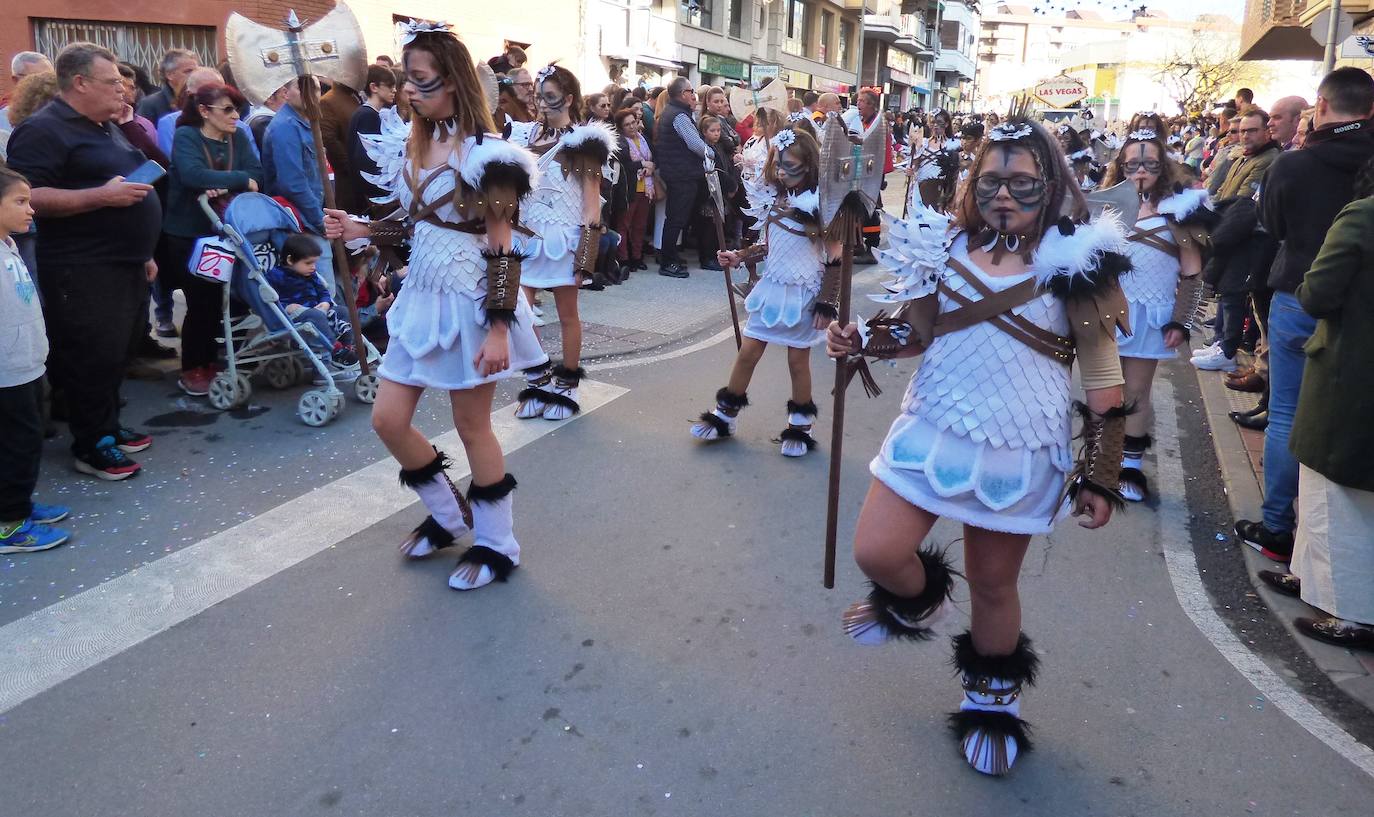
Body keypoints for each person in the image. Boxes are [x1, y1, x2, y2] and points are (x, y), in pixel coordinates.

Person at [826, 116, 1129, 776]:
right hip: (932, 426)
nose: (1004, 194)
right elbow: (915, 334)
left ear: (1051, 184)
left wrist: (1101, 473)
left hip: (1019, 446)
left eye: (1021, 182)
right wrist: (860, 340)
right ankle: (920, 601)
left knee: (994, 584)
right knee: (877, 551)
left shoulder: (1080, 262)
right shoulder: (942, 243)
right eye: (991, 180)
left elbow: (1104, 377)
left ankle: (992, 701)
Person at [334, 21, 546, 590]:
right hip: (421, 299)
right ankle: (451, 515)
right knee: (387, 419)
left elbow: (503, 248)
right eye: (405, 78)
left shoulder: (492, 157)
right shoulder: (415, 142)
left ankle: (497, 543)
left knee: (471, 425)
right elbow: (415, 225)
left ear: (451, 81)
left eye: (419, 79)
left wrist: (499, 330)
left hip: (471, 304)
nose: (408, 89)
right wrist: (362, 228)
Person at [1236, 67, 1374, 560]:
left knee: (1287, 413)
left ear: (1322, 105)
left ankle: (1278, 526)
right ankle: (1328, 547)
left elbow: (1271, 225)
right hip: (1362, 307)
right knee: (1349, 419)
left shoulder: (1294, 165)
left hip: (1300, 295)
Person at [6, 42, 158, 481]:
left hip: (125, 261)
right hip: (82, 266)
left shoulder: (104, 125)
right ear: (80, 83)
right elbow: (29, 195)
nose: (123, 90)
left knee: (117, 353)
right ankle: (92, 445)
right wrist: (101, 197)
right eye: (112, 82)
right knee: (91, 356)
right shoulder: (43, 129)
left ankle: (106, 425)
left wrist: (144, 251)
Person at [1259, 156, 1374, 651]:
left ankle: (1352, 612)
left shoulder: (1363, 215)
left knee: (1334, 489)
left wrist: (1307, 287)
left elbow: (1317, 293)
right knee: (1331, 485)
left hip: (1352, 368)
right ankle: (1310, 578)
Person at [689, 125, 837, 456]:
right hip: (772, 288)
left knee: (797, 360)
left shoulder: (821, 205)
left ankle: (800, 425)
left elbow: (836, 257)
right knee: (748, 351)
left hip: (803, 293)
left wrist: (827, 303)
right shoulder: (776, 198)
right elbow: (768, 246)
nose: (782, 172)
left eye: (791, 166)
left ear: (809, 165)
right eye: (779, 165)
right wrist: (739, 256)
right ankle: (725, 415)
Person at [1098, 129, 1211, 501]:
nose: (1141, 171)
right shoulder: (1105, 206)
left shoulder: (1179, 210)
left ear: (1163, 167)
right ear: (1121, 167)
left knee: (1136, 392)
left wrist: (1181, 320)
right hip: (1106, 315)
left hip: (1150, 315)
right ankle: (1102, 463)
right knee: (1104, 390)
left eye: (1149, 164)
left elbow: (1192, 271)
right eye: (1132, 165)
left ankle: (1130, 466)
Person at [507, 64, 614, 420]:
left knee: (568, 315)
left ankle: (567, 384)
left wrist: (586, 256)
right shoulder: (524, 136)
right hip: (526, 239)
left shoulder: (584, 143)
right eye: (538, 94)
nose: (541, 102)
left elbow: (591, 204)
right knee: (522, 316)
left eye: (549, 96)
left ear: (568, 99)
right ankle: (537, 381)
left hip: (563, 240)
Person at [161, 81, 264, 396]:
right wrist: (239, 180)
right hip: (189, 233)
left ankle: (213, 359)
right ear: (204, 111)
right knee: (200, 301)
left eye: (238, 110)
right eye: (228, 109)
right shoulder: (187, 136)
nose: (236, 116)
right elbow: (192, 175)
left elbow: (258, 174)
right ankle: (193, 366)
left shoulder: (239, 136)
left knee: (223, 300)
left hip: (226, 231)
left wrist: (227, 182)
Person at [0, 167, 71, 553]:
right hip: (6, 371)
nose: (31, 210)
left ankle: (18, 505)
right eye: (20, 202)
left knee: (25, 440)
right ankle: (9, 526)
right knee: (18, 444)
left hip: (25, 362)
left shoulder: (9, 244)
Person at [264, 233, 358, 366]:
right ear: (290, 260)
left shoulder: (311, 274)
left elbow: (323, 291)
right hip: (296, 316)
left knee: (343, 311)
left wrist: (325, 302)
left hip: (318, 311)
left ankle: (347, 347)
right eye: (308, 263)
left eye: (315, 262)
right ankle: (335, 348)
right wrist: (286, 307)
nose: (313, 267)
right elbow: (270, 299)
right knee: (316, 315)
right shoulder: (276, 275)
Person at [654, 77, 712, 278]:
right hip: (682, 174)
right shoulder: (679, 116)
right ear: (682, 94)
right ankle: (668, 262)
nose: (693, 94)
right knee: (676, 219)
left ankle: (671, 257)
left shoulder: (673, 111)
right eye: (690, 90)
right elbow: (696, 145)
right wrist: (711, 153)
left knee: (676, 218)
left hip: (678, 172)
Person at [692, 114, 738, 272]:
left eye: (718, 130)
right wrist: (729, 185)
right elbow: (714, 171)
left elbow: (725, 167)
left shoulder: (719, 147)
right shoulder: (706, 149)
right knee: (708, 227)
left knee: (716, 226)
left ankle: (714, 255)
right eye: (712, 131)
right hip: (709, 193)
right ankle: (706, 257)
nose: (716, 133)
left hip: (720, 191)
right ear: (704, 132)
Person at [347, 65, 396, 212]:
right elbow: (367, 159)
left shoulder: (364, 113)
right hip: (371, 193)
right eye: (389, 86)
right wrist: (380, 191)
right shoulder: (368, 116)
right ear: (374, 87)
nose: (394, 90)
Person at [614, 106, 654, 273]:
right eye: (627, 124)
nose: (632, 126)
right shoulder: (620, 142)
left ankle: (637, 257)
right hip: (629, 189)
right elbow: (623, 165)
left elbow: (653, 159)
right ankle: (624, 258)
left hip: (645, 188)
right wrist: (642, 164)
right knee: (624, 225)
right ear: (621, 127)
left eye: (633, 122)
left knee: (640, 225)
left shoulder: (644, 139)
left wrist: (651, 167)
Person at [1211, 107, 1279, 204]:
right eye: (1242, 131)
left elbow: (1242, 200)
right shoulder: (1242, 157)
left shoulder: (1268, 159)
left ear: (1267, 133)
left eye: (1252, 130)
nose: (1245, 136)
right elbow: (1221, 191)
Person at [319, 75, 363, 213]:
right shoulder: (328, 101)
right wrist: (351, 167)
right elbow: (329, 139)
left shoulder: (354, 96)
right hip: (349, 181)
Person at [136, 49, 198, 124]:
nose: (194, 75)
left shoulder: (199, 99)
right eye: (188, 71)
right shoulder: (150, 104)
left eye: (196, 71)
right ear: (169, 75)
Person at [0, 52, 53, 135]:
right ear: (16, 80)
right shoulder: (4, 118)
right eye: (38, 79)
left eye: (51, 77)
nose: (49, 84)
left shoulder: (59, 109)